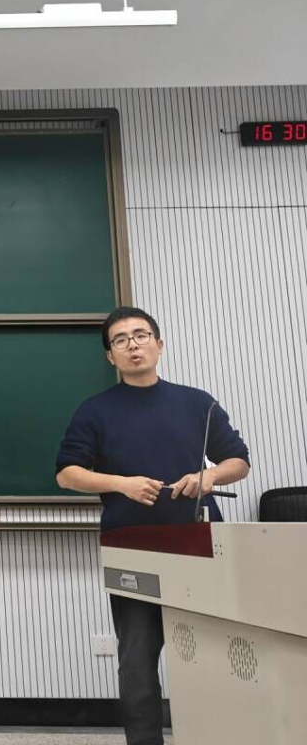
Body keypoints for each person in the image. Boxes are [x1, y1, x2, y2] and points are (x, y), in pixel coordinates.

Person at [54, 306, 250, 745]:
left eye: (141, 335)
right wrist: (121, 484)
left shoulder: (198, 403)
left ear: (159, 344)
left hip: (197, 543)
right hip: (132, 547)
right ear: (111, 356)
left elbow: (238, 461)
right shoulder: (94, 411)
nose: (133, 345)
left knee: (211, 651)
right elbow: (67, 473)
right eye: (120, 340)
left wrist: (208, 477)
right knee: (138, 659)